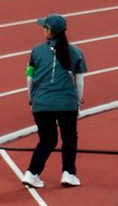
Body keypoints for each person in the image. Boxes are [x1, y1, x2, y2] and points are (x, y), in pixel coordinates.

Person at [21, 12, 86, 189]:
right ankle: (68, 173)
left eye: (45, 27)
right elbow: (79, 82)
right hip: (67, 104)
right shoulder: (76, 52)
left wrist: (32, 99)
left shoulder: (36, 51)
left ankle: (31, 173)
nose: (43, 29)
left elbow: (29, 78)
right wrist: (78, 102)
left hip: (41, 103)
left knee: (47, 140)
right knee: (69, 138)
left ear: (51, 31)